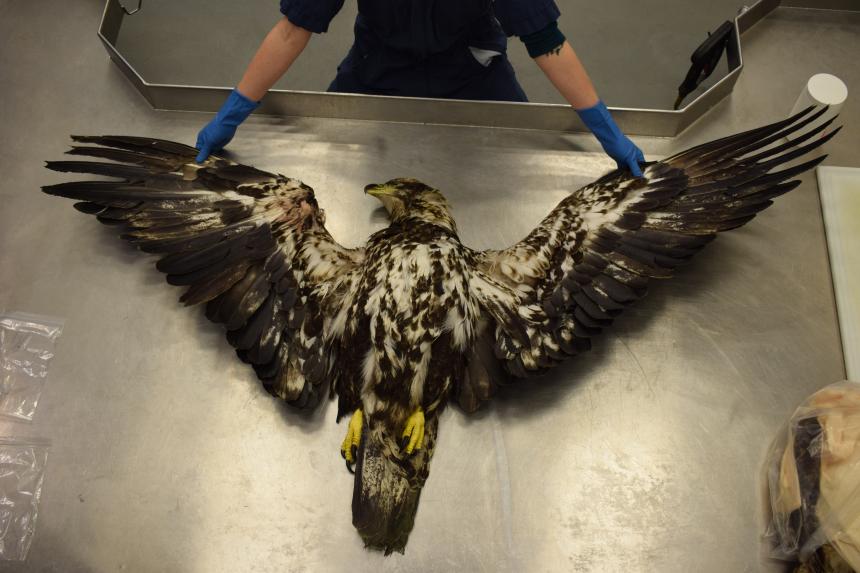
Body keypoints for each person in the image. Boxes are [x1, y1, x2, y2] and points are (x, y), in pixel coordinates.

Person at [195, 0, 645, 177]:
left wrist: (606, 131)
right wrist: (231, 114)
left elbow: (546, 42)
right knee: (323, 179)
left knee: (522, 162)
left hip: (473, 68)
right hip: (378, 64)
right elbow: (294, 28)